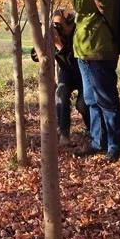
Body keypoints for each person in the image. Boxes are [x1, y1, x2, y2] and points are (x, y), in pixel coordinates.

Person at [68, 0, 120, 162]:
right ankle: (97, 141)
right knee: (92, 100)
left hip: (99, 52)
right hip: (84, 52)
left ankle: (115, 144)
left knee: (106, 100)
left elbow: (80, 4)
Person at [30, 9, 90, 145]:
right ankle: (63, 134)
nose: (58, 29)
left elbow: (73, 61)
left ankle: (93, 131)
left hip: (82, 73)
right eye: (55, 25)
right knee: (61, 93)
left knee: (82, 104)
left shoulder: (79, 33)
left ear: (70, 24)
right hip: (66, 73)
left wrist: (58, 44)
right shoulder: (57, 34)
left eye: (60, 25)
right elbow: (35, 55)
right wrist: (40, 45)